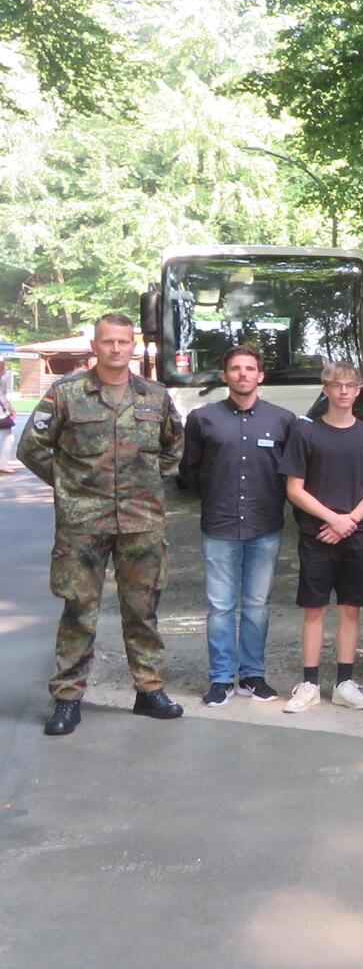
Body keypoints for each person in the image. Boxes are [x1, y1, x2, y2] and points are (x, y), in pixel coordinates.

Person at [22, 313, 185, 736]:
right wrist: (70, 487)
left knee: (143, 609)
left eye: (124, 341)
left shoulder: (155, 396)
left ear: (134, 346)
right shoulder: (67, 394)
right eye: (108, 341)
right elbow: (32, 447)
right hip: (83, 525)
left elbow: (173, 449)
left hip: (140, 522)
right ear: (95, 345)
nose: (116, 349)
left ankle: (149, 691)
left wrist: (145, 485)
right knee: (79, 609)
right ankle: (68, 698)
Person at [179, 345, 296, 707]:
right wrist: (214, 497)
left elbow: (293, 474)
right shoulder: (203, 419)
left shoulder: (283, 420)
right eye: (235, 368)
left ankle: (252, 675)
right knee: (220, 607)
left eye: (250, 368)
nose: (243, 374)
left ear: (260, 376)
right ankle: (220, 679)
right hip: (220, 526)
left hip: (265, 526)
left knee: (258, 605)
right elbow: (189, 471)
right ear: (224, 375)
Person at [281, 361, 363, 713]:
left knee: (351, 609)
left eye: (349, 385)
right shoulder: (306, 433)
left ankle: (345, 682)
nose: (343, 391)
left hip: (357, 535)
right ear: (325, 389)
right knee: (314, 609)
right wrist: (332, 518)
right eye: (336, 385)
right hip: (317, 534)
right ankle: (310, 684)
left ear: (358, 390)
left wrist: (350, 520)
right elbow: (294, 489)